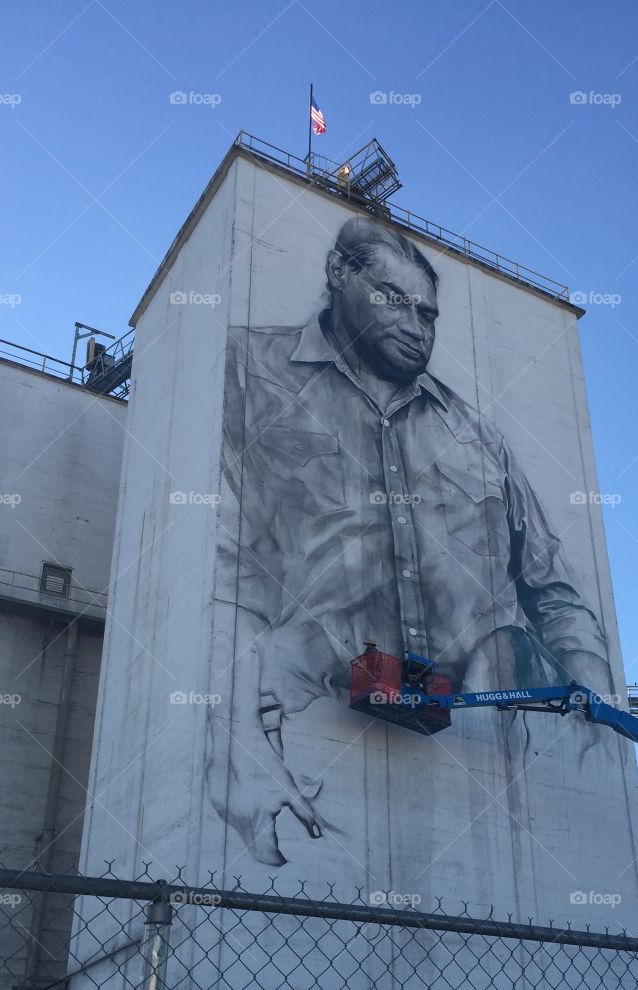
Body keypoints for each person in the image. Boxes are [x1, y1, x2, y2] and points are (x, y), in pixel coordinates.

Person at [209, 215, 614, 865]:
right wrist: (230, 727)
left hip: (481, 759)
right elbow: (222, 557)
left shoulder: (477, 437)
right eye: (397, 302)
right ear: (339, 275)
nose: (416, 327)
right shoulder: (243, 369)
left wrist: (596, 701)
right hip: (306, 744)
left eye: (429, 315)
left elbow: (553, 592)